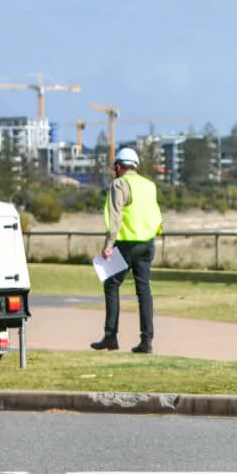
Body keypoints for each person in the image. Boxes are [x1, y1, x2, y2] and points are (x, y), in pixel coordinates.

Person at [91, 147, 163, 354]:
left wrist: (108, 245)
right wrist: (155, 232)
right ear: (136, 166)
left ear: (118, 166)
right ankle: (146, 340)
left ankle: (110, 336)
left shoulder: (119, 184)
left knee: (111, 285)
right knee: (144, 291)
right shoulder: (149, 185)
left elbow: (115, 216)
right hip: (147, 243)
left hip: (126, 243)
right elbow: (156, 212)